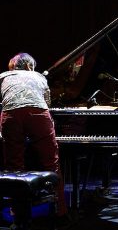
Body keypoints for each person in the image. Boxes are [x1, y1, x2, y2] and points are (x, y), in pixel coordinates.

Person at [0, 53, 69, 225]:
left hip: (11, 114)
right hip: (38, 114)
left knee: (14, 165)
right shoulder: (39, 76)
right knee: (52, 163)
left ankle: (19, 214)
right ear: (30, 66)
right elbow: (47, 102)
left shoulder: (3, 76)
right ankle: (60, 212)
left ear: (12, 66)